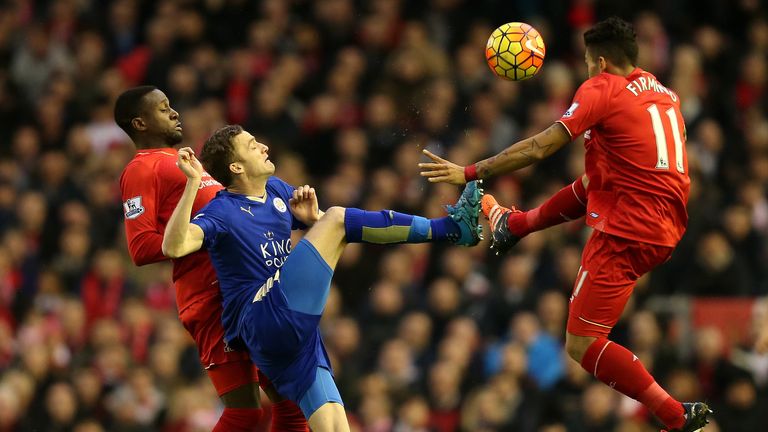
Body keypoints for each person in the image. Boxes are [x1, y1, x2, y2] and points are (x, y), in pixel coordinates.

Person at [419, 17, 712, 432]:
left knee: (582, 343)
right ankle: (514, 224)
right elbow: (608, 177)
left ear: (602, 61)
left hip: (628, 230)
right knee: (595, 179)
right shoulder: (664, 95)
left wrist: (471, 171)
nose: (586, 70)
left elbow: (542, 146)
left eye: (589, 63)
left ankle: (673, 415)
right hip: (665, 224)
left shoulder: (601, 87)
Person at [161, 124, 482, 431]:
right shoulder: (222, 210)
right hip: (261, 316)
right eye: (251, 145)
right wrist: (192, 184)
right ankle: (451, 229)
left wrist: (313, 219)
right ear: (236, 168)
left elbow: (320, 225)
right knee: (339, 218)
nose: (263, 146)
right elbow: (174, 245)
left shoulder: (274, 190)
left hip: (291, 335)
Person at [116, 86, 308, 432]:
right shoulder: (142, 170)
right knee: (248, 413)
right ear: (140, 123)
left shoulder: (189, 164)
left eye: (171, 105)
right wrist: (203, 234)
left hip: (249, 292)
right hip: (212, 299)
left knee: (290, 404)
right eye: (163, 109)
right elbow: (141, 247)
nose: (174, 112)